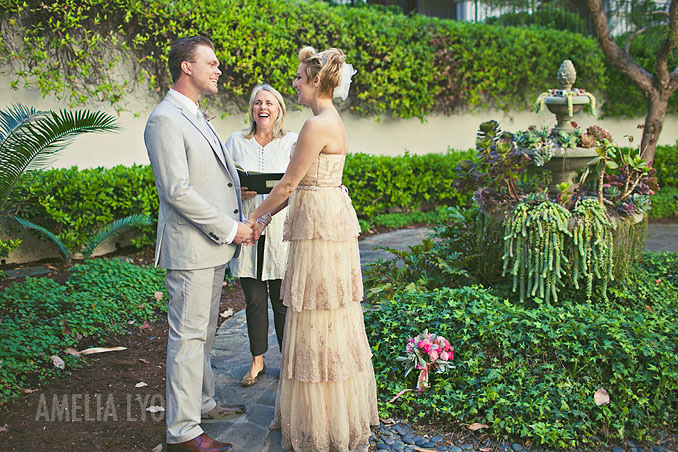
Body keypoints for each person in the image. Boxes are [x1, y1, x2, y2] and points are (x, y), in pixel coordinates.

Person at [247, 46, 378, 452]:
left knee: (315, 313)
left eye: (299, 78)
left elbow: (288, 185)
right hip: (328, 220)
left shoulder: (315, 125)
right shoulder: (332, 119)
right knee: (331, 313)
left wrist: (258, 219)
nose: (294, 84)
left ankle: (321, 423)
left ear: (316, 82)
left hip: (319, 229)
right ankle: (337, 415)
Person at [144, 36, 254, 452]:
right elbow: (176, 190)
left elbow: (211, 179)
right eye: (211, 62)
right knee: (188, 341)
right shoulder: (165, 119)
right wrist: (230, 228)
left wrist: (240, 198)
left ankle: (203, 404)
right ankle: (183, 433)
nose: (218, 68)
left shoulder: (195, 116)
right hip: (192, 248)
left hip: (211, 247)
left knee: (204, 335)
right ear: (186, 67)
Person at [224, 84, 297, 387]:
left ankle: (287, 363)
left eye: (269, 103)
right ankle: (257, 361)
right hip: (247, 227)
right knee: (254, 300)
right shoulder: (235, 142)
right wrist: (236, 190)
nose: (262, 108)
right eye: (257, 103)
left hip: (280, 229)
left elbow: (299, 184)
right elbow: (222, 182)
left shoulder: (292, 142)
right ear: (252, 109)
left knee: (282, 302)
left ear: (279, 109)